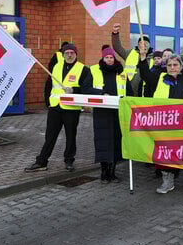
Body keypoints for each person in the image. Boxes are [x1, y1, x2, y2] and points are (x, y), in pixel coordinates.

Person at [140, 55, 183, 196]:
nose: (172, 68)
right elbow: (145, 75)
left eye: (175, 65)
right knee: (166, 154)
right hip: (166, 125)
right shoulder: (160, 79)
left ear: (181, 66)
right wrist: (143, 59)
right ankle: (168, 182)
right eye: (169, 65)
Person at [25, 43, 93, 173]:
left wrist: (74, 89)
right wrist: (48, 102)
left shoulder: (83, 69)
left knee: (70, 136)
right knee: (50, 136)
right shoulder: (56, 67)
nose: (69, 55)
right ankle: (41, 162)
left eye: (72, 53)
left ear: (76, 54)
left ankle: (69, 161)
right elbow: (49, 85)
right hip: (55, 107)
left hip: (71, 108)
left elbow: (86, 88)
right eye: (67, 53)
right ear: (63, 55)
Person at [89, 46, 126, 183]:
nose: (109, 60)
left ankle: (112, 172)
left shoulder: (121, 72)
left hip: (118, 111)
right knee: (103, 141)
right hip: (102, 111)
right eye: (107, 57)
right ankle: (104, 172)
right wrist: (101, 93)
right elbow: (86, 87)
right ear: (103, 58)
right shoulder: (94, 70)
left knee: (116, 141)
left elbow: (128, 90)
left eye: (111, 57)